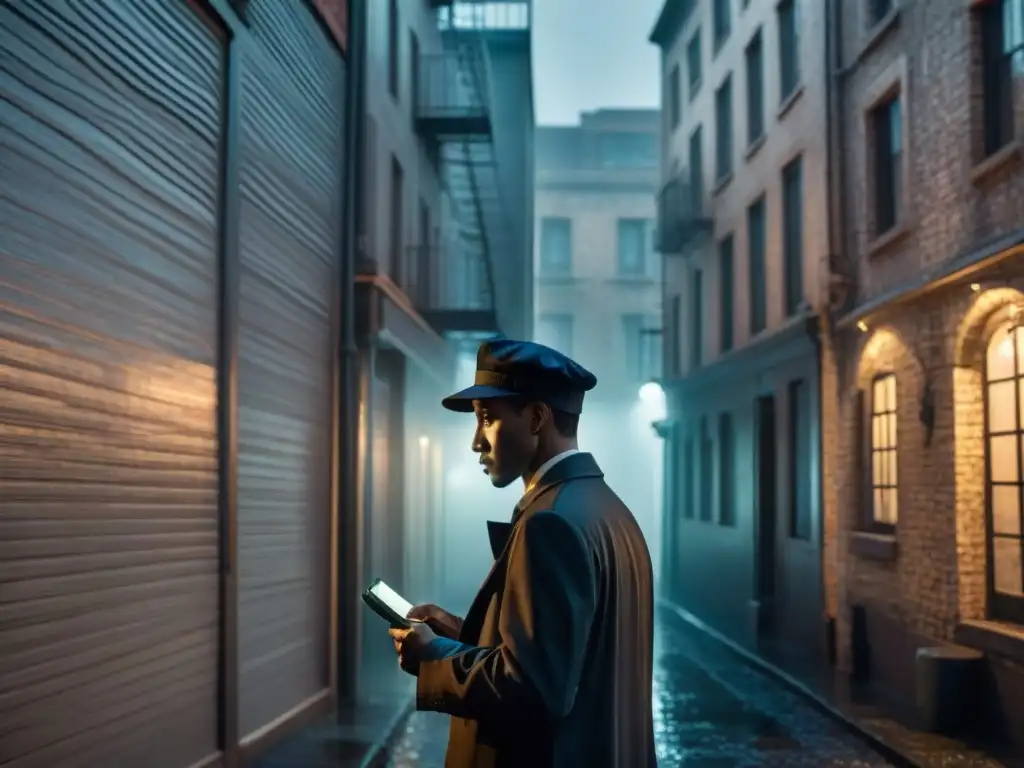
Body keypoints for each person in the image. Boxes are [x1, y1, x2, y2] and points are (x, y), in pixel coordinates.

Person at [388, 339, 656, 768]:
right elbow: (564, 657)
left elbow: (533, 690)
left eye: (488, 419)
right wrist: (461, 637)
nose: (477, 442)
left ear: (536, 418)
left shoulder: (550, 523)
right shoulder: (607, 509)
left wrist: (433, 656)